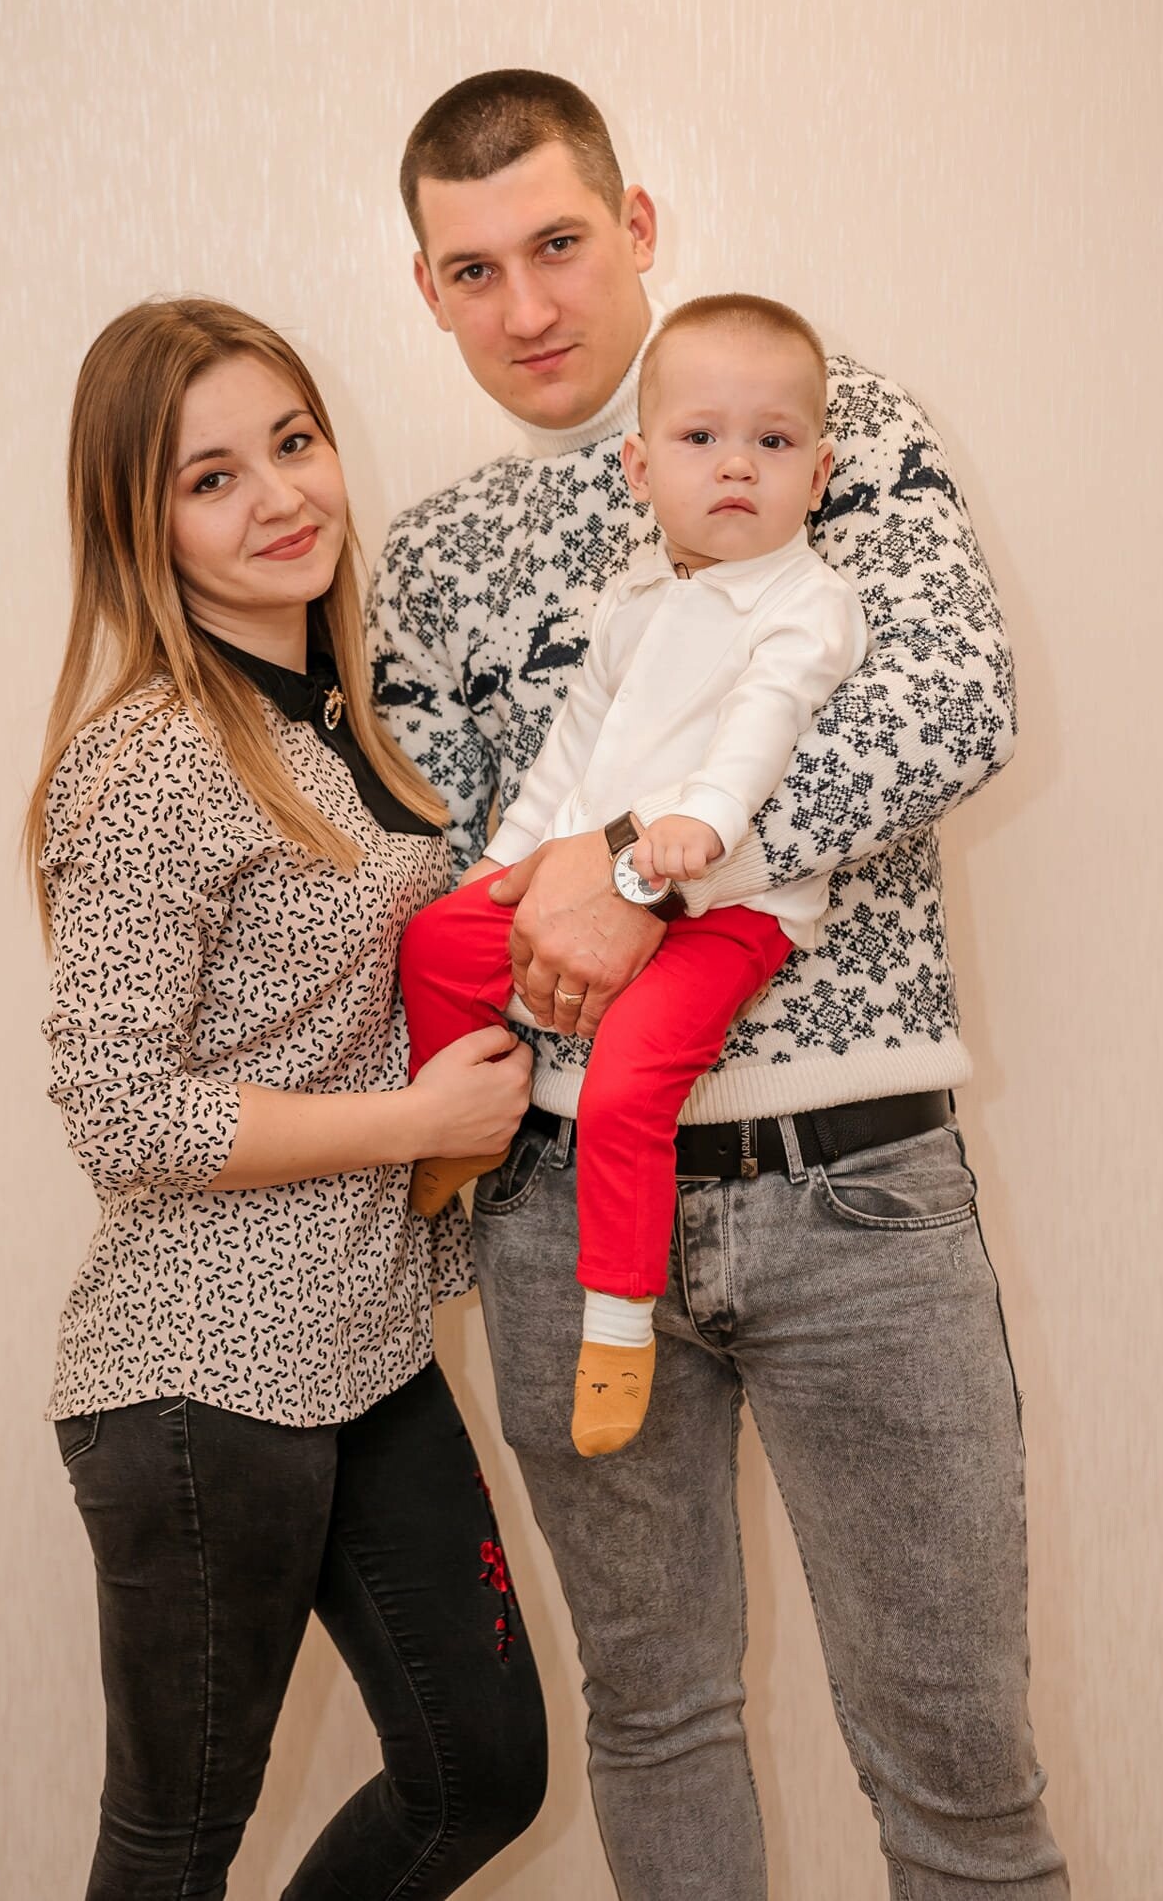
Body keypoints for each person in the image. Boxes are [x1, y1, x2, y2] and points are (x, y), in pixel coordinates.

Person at [369, 71, 1068, 1899]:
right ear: (426, 289)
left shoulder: (829, 422)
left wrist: (635, 878)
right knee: (655, 1718)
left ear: (635, 226)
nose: (527, 305)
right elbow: (443, 864)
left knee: (955, 1761)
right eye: (472, 270)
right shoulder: (432, 553)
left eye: (557, 243)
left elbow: (944, 712)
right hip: (555, 1208)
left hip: (852, 1187)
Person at [26, 296, 545, 1901]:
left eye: (293, 442)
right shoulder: (154, 759)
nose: (277, 497)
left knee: (480, 1771)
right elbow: (121, 1112)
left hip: (364, 1343)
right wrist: (415, 1124)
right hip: (202, 1374)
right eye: (211, 478)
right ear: (142, 526)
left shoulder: (336, 718)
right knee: (173, 1841)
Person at [398, 294, 866, 1459]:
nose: (738, 465)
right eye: (702, 438)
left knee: (625, 1089)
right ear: (641, 468)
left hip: (731, 907)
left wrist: (695, 828)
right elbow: (574, 752)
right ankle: (461, 1125)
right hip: (596, 863)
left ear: (818, 473)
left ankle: (615, 1329)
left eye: (774, 441)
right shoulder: (636, 598)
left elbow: (764, 723)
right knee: (437, 940)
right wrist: (504, 865)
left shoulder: (808, 600)